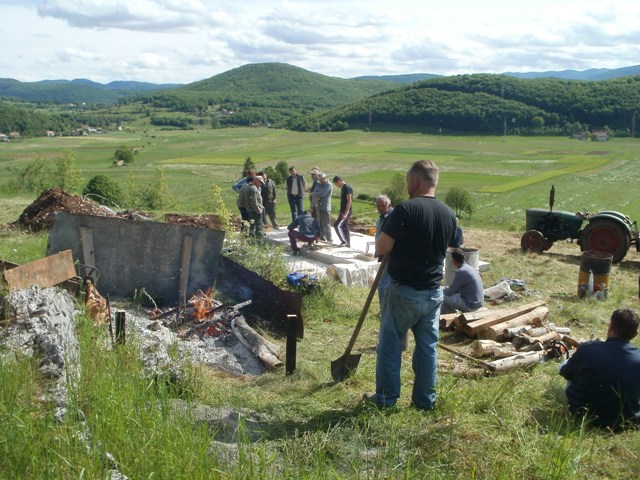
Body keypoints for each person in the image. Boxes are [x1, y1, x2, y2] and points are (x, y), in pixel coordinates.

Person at [368, 160, 457, 410]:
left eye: (408, 182)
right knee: (428, 349)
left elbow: (382, 248)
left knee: (390, 345)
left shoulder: (405, 210)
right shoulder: (449, 214)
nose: (407, 187)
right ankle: (424, 401)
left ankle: (386, 400)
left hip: (404, 291)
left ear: (416, 181)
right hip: (433, 292)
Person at [559, 308, 640, 429]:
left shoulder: (588, 349)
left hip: (585, 416)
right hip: (629, 421)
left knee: (566, 365)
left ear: (611, 326)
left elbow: (565, 373)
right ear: (634, 334)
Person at [441, 249, 483, 314]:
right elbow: (456, 289)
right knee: (446, 296)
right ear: (464, 257)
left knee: (440, 296)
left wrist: (439, 291)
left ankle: (444, 318)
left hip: (470, 305)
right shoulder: (470, 268)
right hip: (478, 302)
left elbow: (450, 291)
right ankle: (450, 316)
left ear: (453, 261)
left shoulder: (461, 271)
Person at [374, 194, 393, 303]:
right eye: (378, 206)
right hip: (384, 255)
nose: (380, 208)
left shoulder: (391, 218)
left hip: (389, 257)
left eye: (383, 205)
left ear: (389, 205)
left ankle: (384, 311)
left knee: (382, 287)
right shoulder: (381, 218)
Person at [242, 175, 265, 241]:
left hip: (250, 210)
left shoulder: (247, 186)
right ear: (255, 181)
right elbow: (254, 202)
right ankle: (259, 243)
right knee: (259, 228)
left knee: (251, 228)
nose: (261, 184)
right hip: (254, 211)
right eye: (260, 182)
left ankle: (252, 242)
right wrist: (259, 210)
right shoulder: (253, 189)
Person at [332, 175, 353, 247]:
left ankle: (344, 241)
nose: (336, 185)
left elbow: (349, 200)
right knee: (344, 226)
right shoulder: (343, 188)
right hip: (342, 211)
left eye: (336, 184)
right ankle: (348, 243)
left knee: (337, 225)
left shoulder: (347, 188)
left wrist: (345, 213)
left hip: (346, 211)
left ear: (339, 181)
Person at [312, 172, 333, 242]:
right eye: (319, 179)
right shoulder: (318, 184)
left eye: (321, 179)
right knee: (320, 222)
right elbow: (315, 192)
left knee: (326, 223)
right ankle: (322, 236)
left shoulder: (328, 185)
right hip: (318, 206)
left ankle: (329, 238)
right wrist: (316, 194)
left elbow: (321, 194)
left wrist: (316, 194)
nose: (319, 181)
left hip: (325, 207)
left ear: (324, 178)